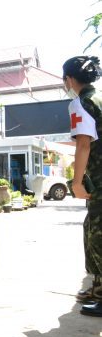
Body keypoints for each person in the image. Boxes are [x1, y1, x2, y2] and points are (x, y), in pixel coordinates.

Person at [63, 56, 102, 317]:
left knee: (97, 235)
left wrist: (77, 182)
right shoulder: (98, 98)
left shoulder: (81, 103)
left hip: (100, 179)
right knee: (92, 228)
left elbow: (84, 144)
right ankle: (98, 288)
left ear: (69, 79)